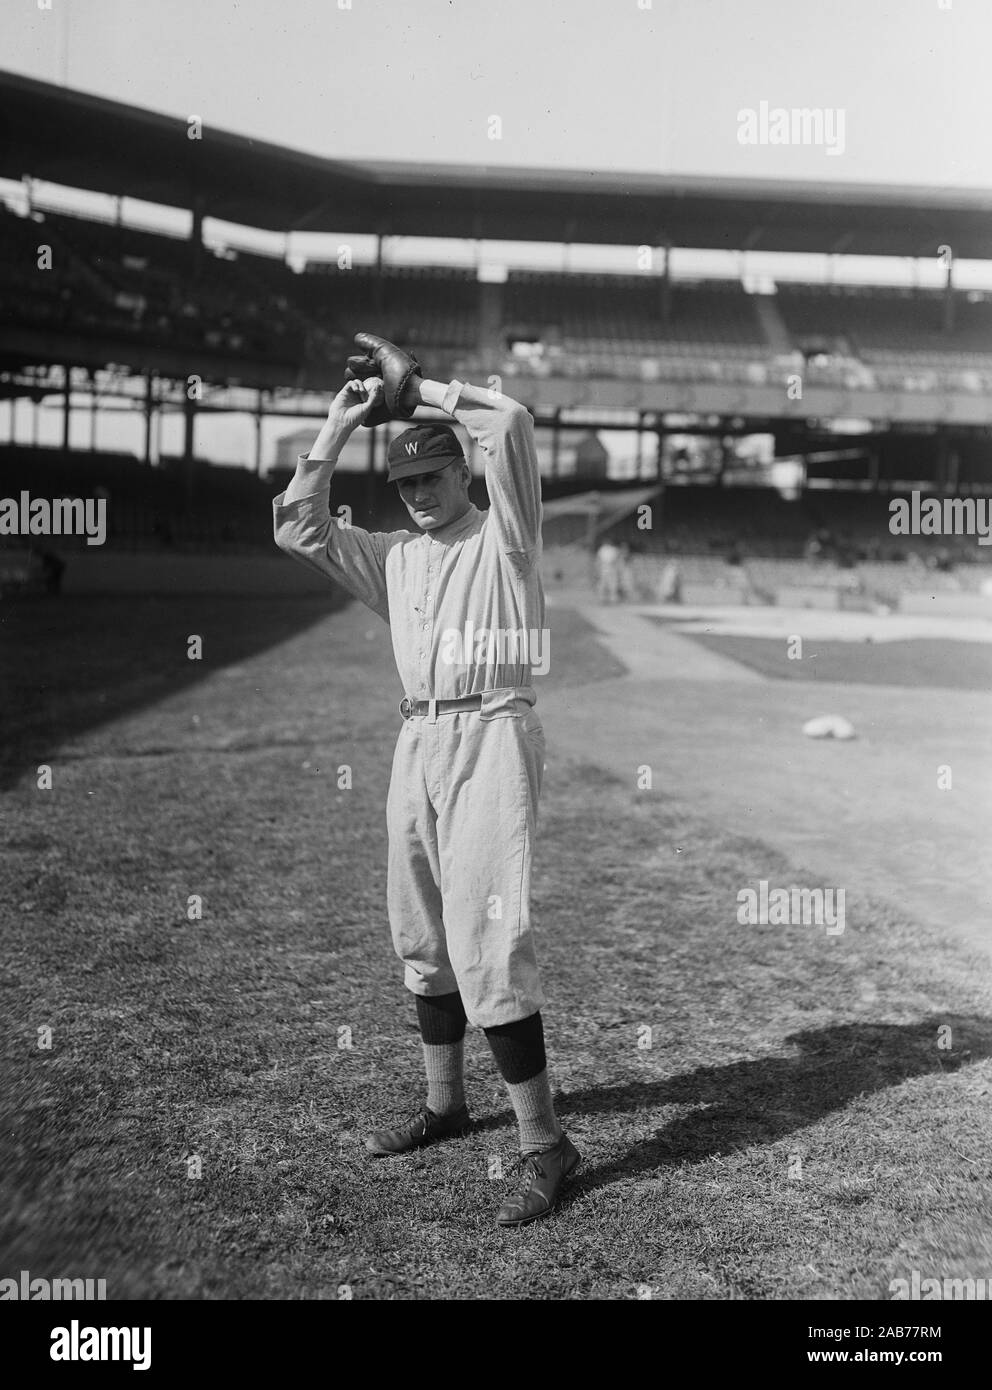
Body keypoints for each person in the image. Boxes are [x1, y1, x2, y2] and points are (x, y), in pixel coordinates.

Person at [272, 333, 579, 1227]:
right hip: (419, 739)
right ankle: (446, 1106)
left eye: (431, 478)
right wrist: (337, 430)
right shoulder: (396, 557)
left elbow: (512, 420)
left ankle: (546, 1143)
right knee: (421, 935)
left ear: (462, 472)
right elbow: (299, 526)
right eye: (404, 484)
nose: (416, 496)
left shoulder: (506, 539)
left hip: (491, 732)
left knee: (489, 943)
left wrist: (425, 391)